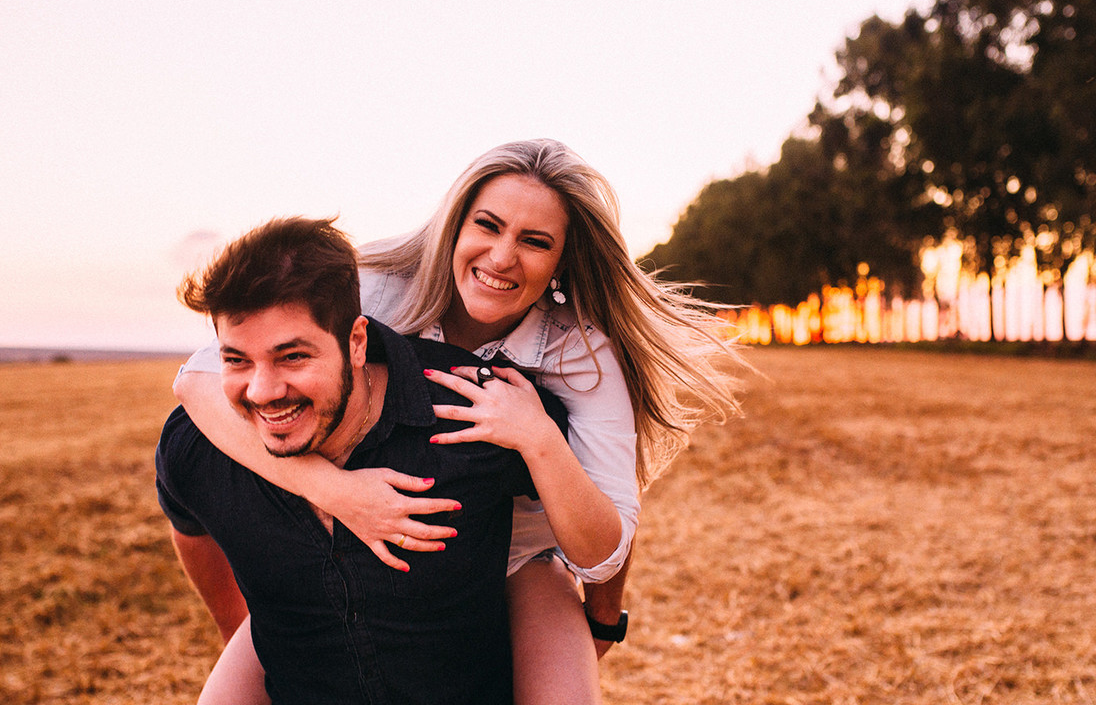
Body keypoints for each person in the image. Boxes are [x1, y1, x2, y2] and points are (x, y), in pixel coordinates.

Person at [175, 138, 741, 703]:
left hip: (521, 555)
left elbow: (608, 540)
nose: (500, 257)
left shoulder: (584, 356)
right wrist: (340, 493)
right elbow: (197, 382)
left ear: (562, 263)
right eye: (487, 226)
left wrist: (539, 440)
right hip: (373, 532)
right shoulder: (377, 288)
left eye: (535, 241)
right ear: (454, 225)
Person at [156, 215, 569, 704]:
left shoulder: (474, 414)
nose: (263, 391)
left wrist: (604, 619)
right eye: (236, 360)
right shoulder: (198, 449)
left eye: (293, 357)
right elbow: (189, 522)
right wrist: (238, 629)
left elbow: (608, 500)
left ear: (356, 342)